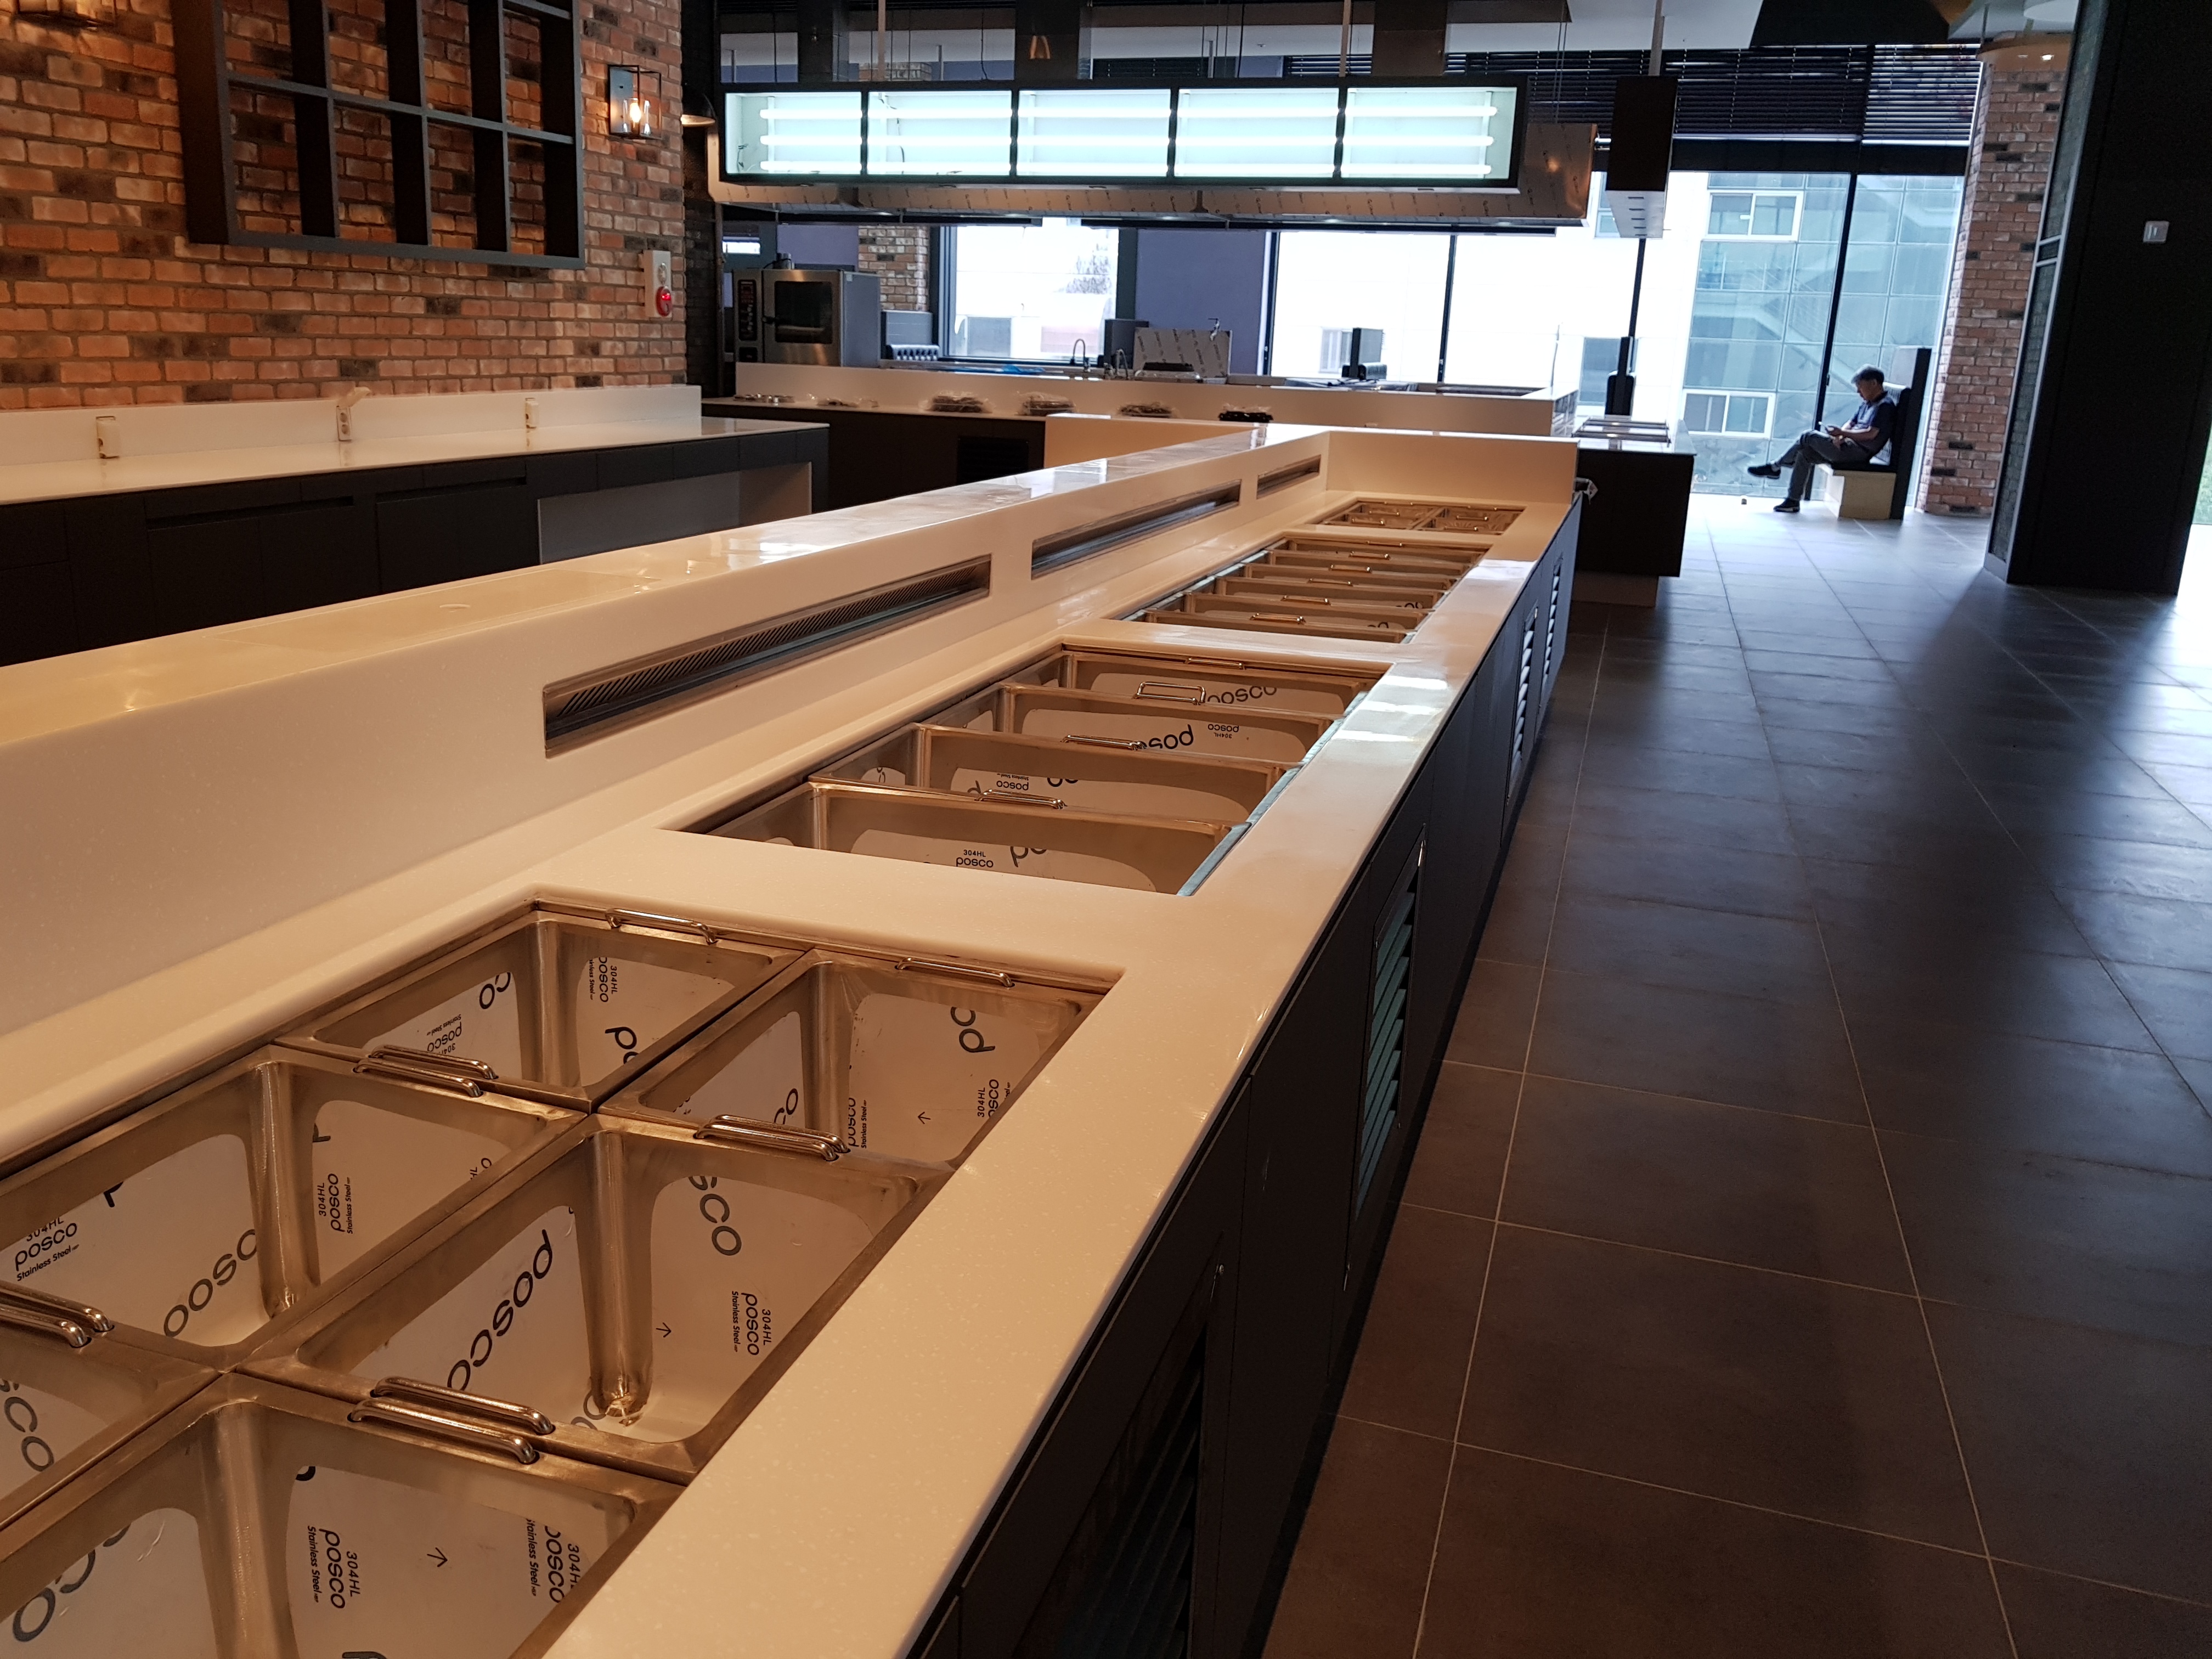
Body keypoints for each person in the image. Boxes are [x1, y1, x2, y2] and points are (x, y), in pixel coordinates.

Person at [1747, 368, 1897, 513]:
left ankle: (1775, 467)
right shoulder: (1868, 403)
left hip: (1858, 453)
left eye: (1860, 387)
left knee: (1808, 436)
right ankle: (1793, 501)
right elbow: (1851, 423)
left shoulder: (1885, 406)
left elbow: (1871, 434)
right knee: (1804, 454)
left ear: (1874, 383)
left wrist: (1843, 433)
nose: (1858, 392)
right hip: (1847, 446)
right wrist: (1840, 436)